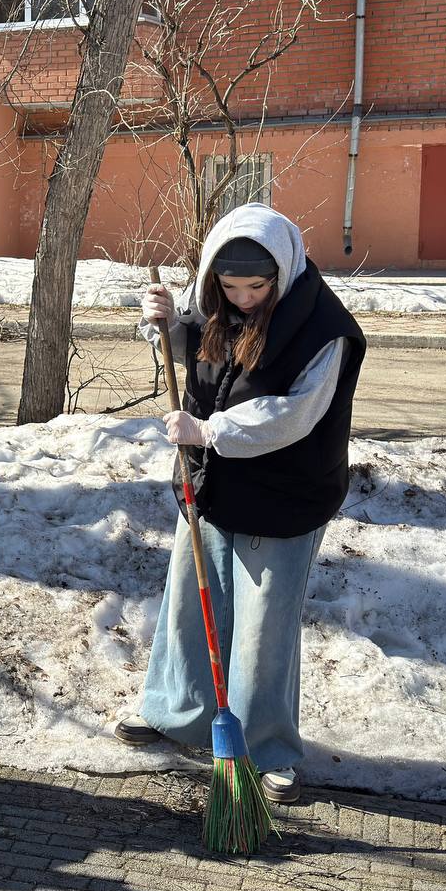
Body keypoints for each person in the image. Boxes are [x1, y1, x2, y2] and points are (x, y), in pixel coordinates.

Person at [115, 203, 365, 804]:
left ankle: (266, 748)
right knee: (191, 603)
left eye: (257, 286)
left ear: (283, 270)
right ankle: (178, 712)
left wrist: (210, 431)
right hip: (212, 483)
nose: (244, 298)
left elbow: (294, 414)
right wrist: (168, 324)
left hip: (285, 495)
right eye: (231, 287)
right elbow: (203, 359)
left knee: (263, 629)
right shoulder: (215, 301)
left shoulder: (324, 329)